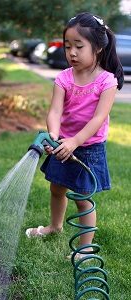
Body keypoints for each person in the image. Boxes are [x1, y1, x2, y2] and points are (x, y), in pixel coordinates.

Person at [25, 12, 124, 259]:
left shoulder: (107, 81)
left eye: (79, 46)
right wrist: (54, 136)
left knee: (83, 198)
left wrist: (75, 141)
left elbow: (98, 118)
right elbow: (55, 110)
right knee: (56, 189)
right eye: (68, 46)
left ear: (98, 47)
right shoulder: (64, 77)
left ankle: (86, 246)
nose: (72, 53)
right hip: (63, 143)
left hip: (88, 147)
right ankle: (55, 226)